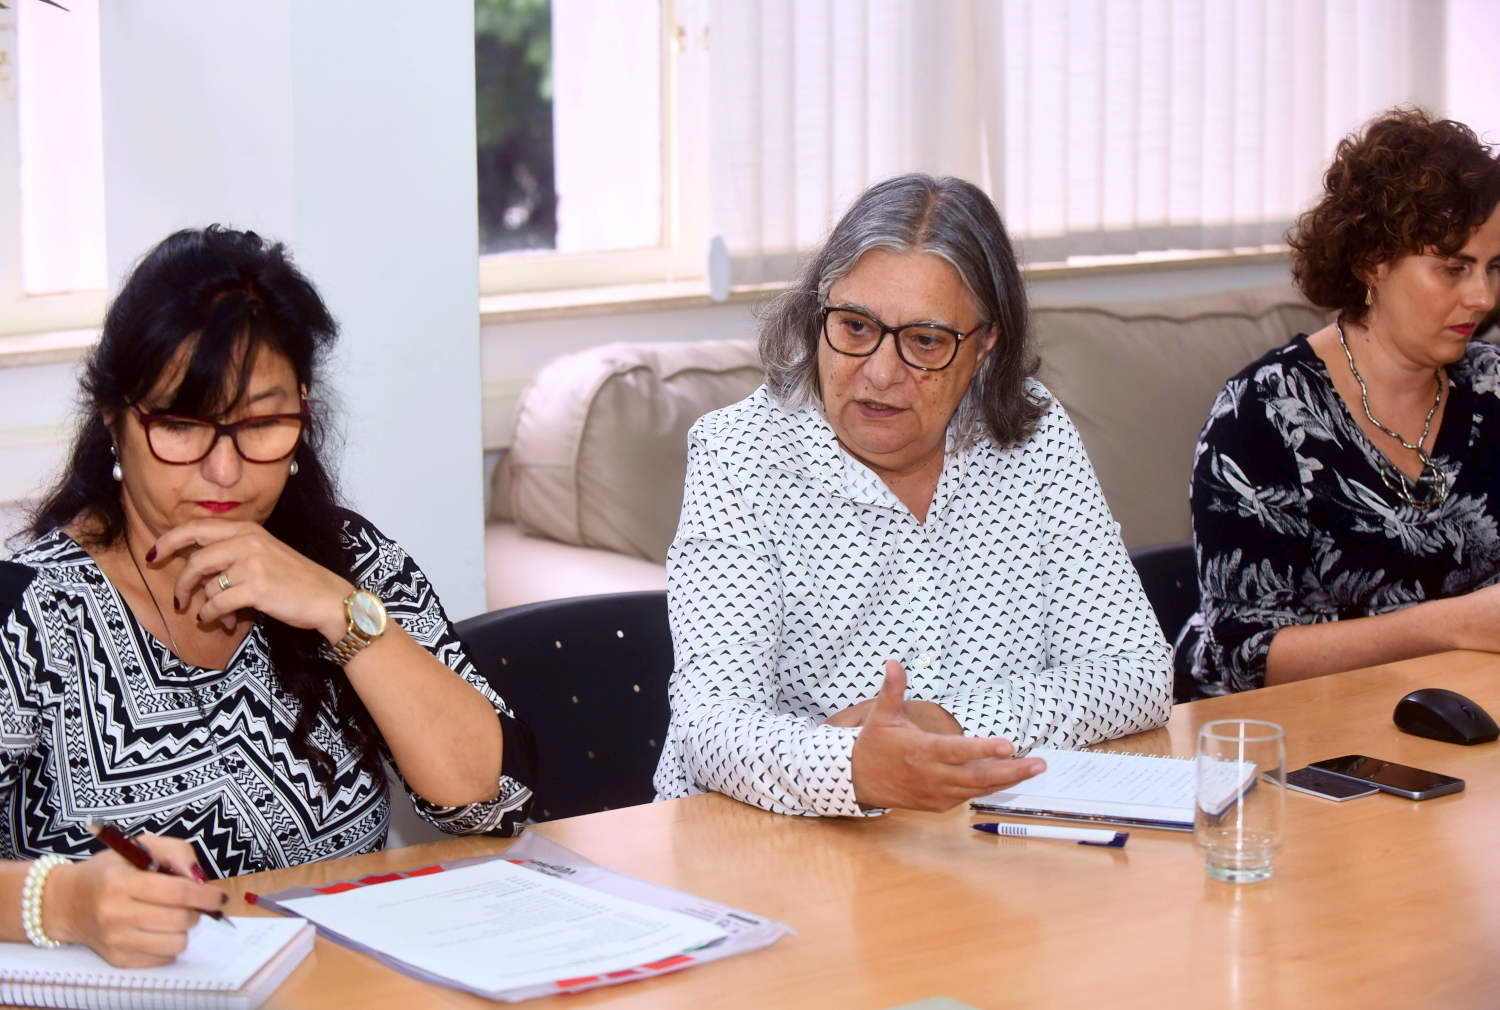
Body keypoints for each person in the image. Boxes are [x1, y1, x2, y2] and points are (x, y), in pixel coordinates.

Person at [0, 226, 536, 965]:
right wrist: (65, 903)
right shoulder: (32, 614)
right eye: (181, 426)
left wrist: (335, 611)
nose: (223, 470)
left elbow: (494, 800)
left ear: (304, 412)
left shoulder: (354, 565)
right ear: (114, 418)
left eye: (260, 424)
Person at [653, 174, 1173, 817]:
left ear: (985, 345)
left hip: (971, 843)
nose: (878, 372)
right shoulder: (741, 457)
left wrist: (948, 727)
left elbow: (1138, 674)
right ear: (819, 312)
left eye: (924, 341)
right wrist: (854, 767)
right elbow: (711, 730)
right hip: (769, 844)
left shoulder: (1033, 434)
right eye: (854, 326)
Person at [1179, 108, 1500, 695]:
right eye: (1453, 269)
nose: (1481, 296)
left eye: (1492, 267)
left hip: (1460, 719)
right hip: (1281, 741)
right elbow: (1243, 655)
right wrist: (1452, 626)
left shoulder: (1491, 388)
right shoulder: (1264, 414)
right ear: (1371, 263)